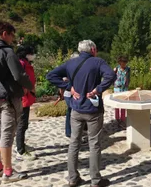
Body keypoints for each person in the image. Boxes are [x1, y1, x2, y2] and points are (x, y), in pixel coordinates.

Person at [46, 40, 116, 187]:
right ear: (93, 49)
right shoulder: (98, 62)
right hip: (93, 110)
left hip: (76, 109)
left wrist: (69, 87)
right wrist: (98, 89)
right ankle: (95, 181)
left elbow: (51, 76)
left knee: (73, 143)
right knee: (94, 144)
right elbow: (110, 76)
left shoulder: (71, 63)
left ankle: (73, 179)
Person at [0, 22, 33, 183]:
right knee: (6, 135)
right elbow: (19, 75)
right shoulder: (6, 51)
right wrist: (30, 87)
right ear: (5, 33)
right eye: (12, 35)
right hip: (7, 98)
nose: (13, 39)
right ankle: (8, 172)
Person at [14, 45, 37, 161]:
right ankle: (20, 150)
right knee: (22, 124)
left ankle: (21, 144)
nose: (33, 55)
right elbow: (20, 78)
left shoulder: (24, 62)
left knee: (24, 124)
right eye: (31, 52)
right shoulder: (21, 63)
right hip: (23, 98)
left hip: (27, 97)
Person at [113, 55, 130, 128]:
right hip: (117, 88)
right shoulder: (116, 69)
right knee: (117, 104)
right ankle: (117, 119)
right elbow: (112, 77)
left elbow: (129, 77)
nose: (124, 64)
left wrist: (127, 84)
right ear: (119, 62)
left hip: (124, 88)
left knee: (123, 104)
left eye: (125, 62)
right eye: (122, 62)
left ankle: (122, 119)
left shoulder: (128, 69)